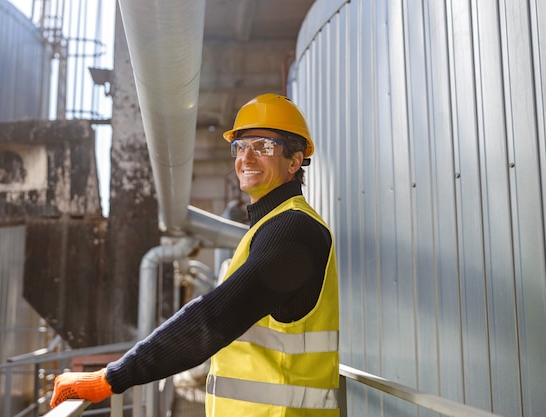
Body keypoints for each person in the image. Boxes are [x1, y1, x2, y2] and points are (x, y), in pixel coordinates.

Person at [50, 93, 340, 416]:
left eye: (264, 146)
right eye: (240, 147)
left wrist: (113, 376)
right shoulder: (270, 228)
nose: (247, 158)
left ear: (295, 161)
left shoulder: (295, 231)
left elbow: (215, 317)